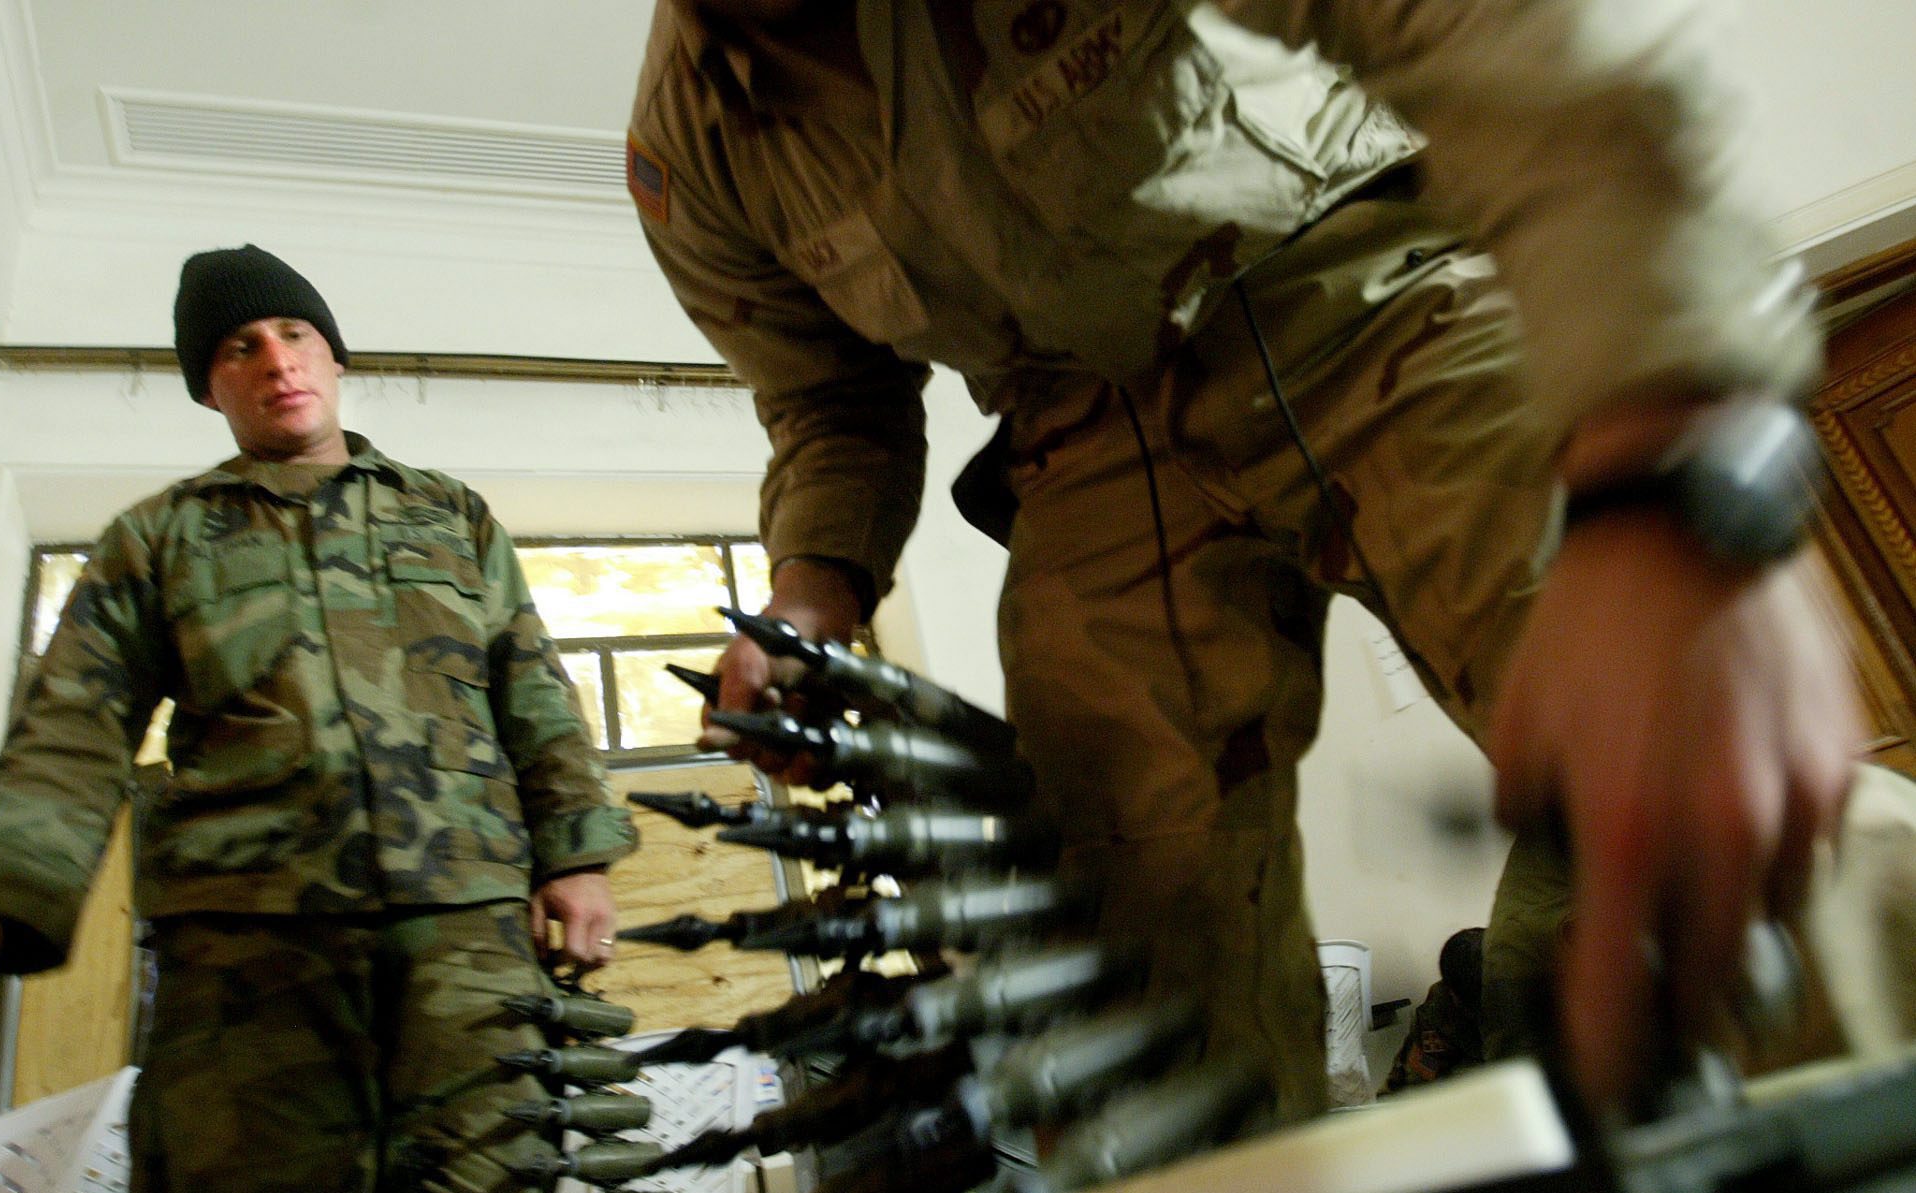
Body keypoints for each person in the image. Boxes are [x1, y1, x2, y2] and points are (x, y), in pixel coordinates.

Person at [627, 0, 1902, 1117]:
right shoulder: (691, 152)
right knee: (1123, 987)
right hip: (1078, 430)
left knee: (1684, 752)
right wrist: (812, 596)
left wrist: (1665, 441)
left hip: (1353, 280)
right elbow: (828, 404)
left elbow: (1501, 33)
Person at [0, 246, 635, 1193]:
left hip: (463, 938)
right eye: (241, 347)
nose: (277, 360)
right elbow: (72, 725)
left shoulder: (448, 515)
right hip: (250, 954)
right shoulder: (158, 538)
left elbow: (533, 687)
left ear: (334, 357)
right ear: (210, 385)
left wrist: (578, 854)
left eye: (296, 335)